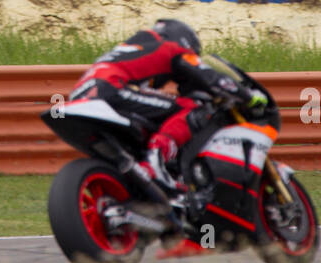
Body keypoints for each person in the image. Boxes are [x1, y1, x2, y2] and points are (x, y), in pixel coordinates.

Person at [68, 18, 270, 192]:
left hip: (80, 95)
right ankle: (156, 159)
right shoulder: (174, 49)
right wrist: (246, 95)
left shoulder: (133, 49)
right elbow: (210, 77)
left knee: (153, 119)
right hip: (109, 89)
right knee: (190, 108)